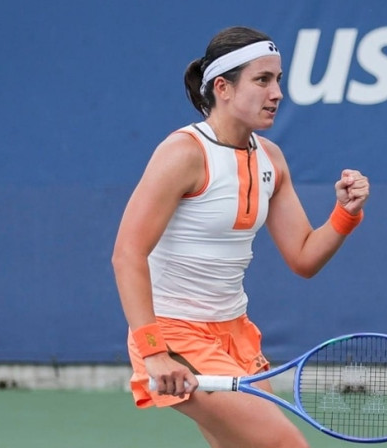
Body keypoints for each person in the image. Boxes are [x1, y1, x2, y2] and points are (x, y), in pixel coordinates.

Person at [111, 26, 369, 448]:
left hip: (236, 336)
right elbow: (127, 255)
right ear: (223, 88)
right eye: (262, 80)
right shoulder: (183, 153)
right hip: (175, 338)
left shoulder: (271, 159)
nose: (277, 93)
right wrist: (154, 351)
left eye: (278, 80)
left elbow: (304, 257)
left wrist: (345, 214)